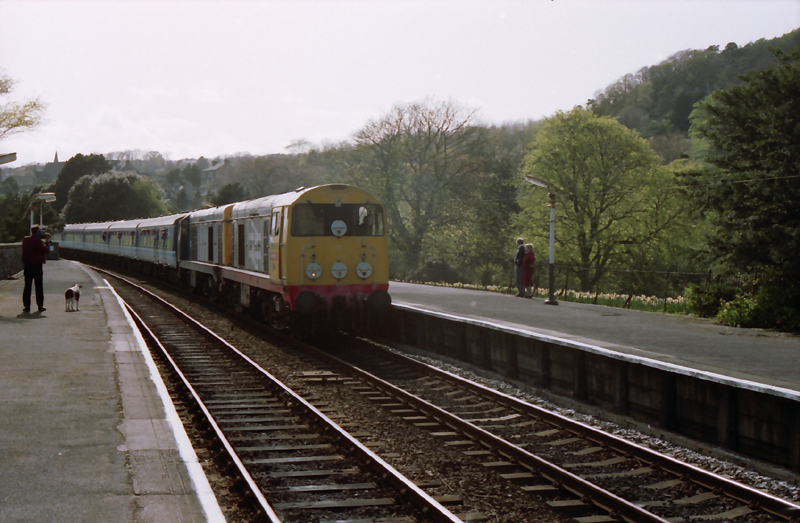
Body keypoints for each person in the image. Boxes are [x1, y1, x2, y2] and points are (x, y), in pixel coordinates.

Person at [22, 224, 50, 313]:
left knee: (27, 286)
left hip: (27, 265)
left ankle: (27, 306)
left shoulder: (25, 240)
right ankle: (40, 306)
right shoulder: (38, 241)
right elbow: (46, 250)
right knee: (38, 286)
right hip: (37, 266)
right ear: (38, 232)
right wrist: (47, 241)